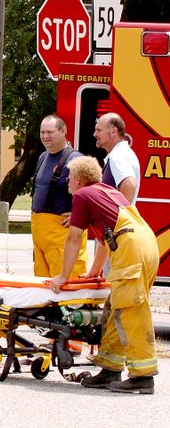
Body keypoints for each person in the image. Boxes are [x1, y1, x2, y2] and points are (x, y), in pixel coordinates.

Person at [49, 156, 158, 394]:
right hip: (145, 244)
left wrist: (62, 277)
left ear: (78, 179)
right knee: (115, 309)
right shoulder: (107, 192)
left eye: (69, 177)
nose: (67, 181)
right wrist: (95, 273)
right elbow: (104, 239)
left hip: (130, 249)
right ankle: (110, 368)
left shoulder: (82, 195)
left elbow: (74, 237)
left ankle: (143, 376)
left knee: (131, 312)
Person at [30, 115, 87, 278]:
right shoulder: (42, 157)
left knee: (67, 281)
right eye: (42, 132)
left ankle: (68, 305)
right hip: (40, 232)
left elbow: (93, 193)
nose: (45, 136)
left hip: (62, 233)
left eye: (50, 132)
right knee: (42, 283)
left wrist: (79, 215)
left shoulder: (76, 160)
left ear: (63, 131)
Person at [94, 112, 140, 203]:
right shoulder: (121, 153)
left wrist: (119, 214)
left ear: (113, 132)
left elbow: (129, 184)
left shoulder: (118, 156)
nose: (94, 134)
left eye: (99, 130)